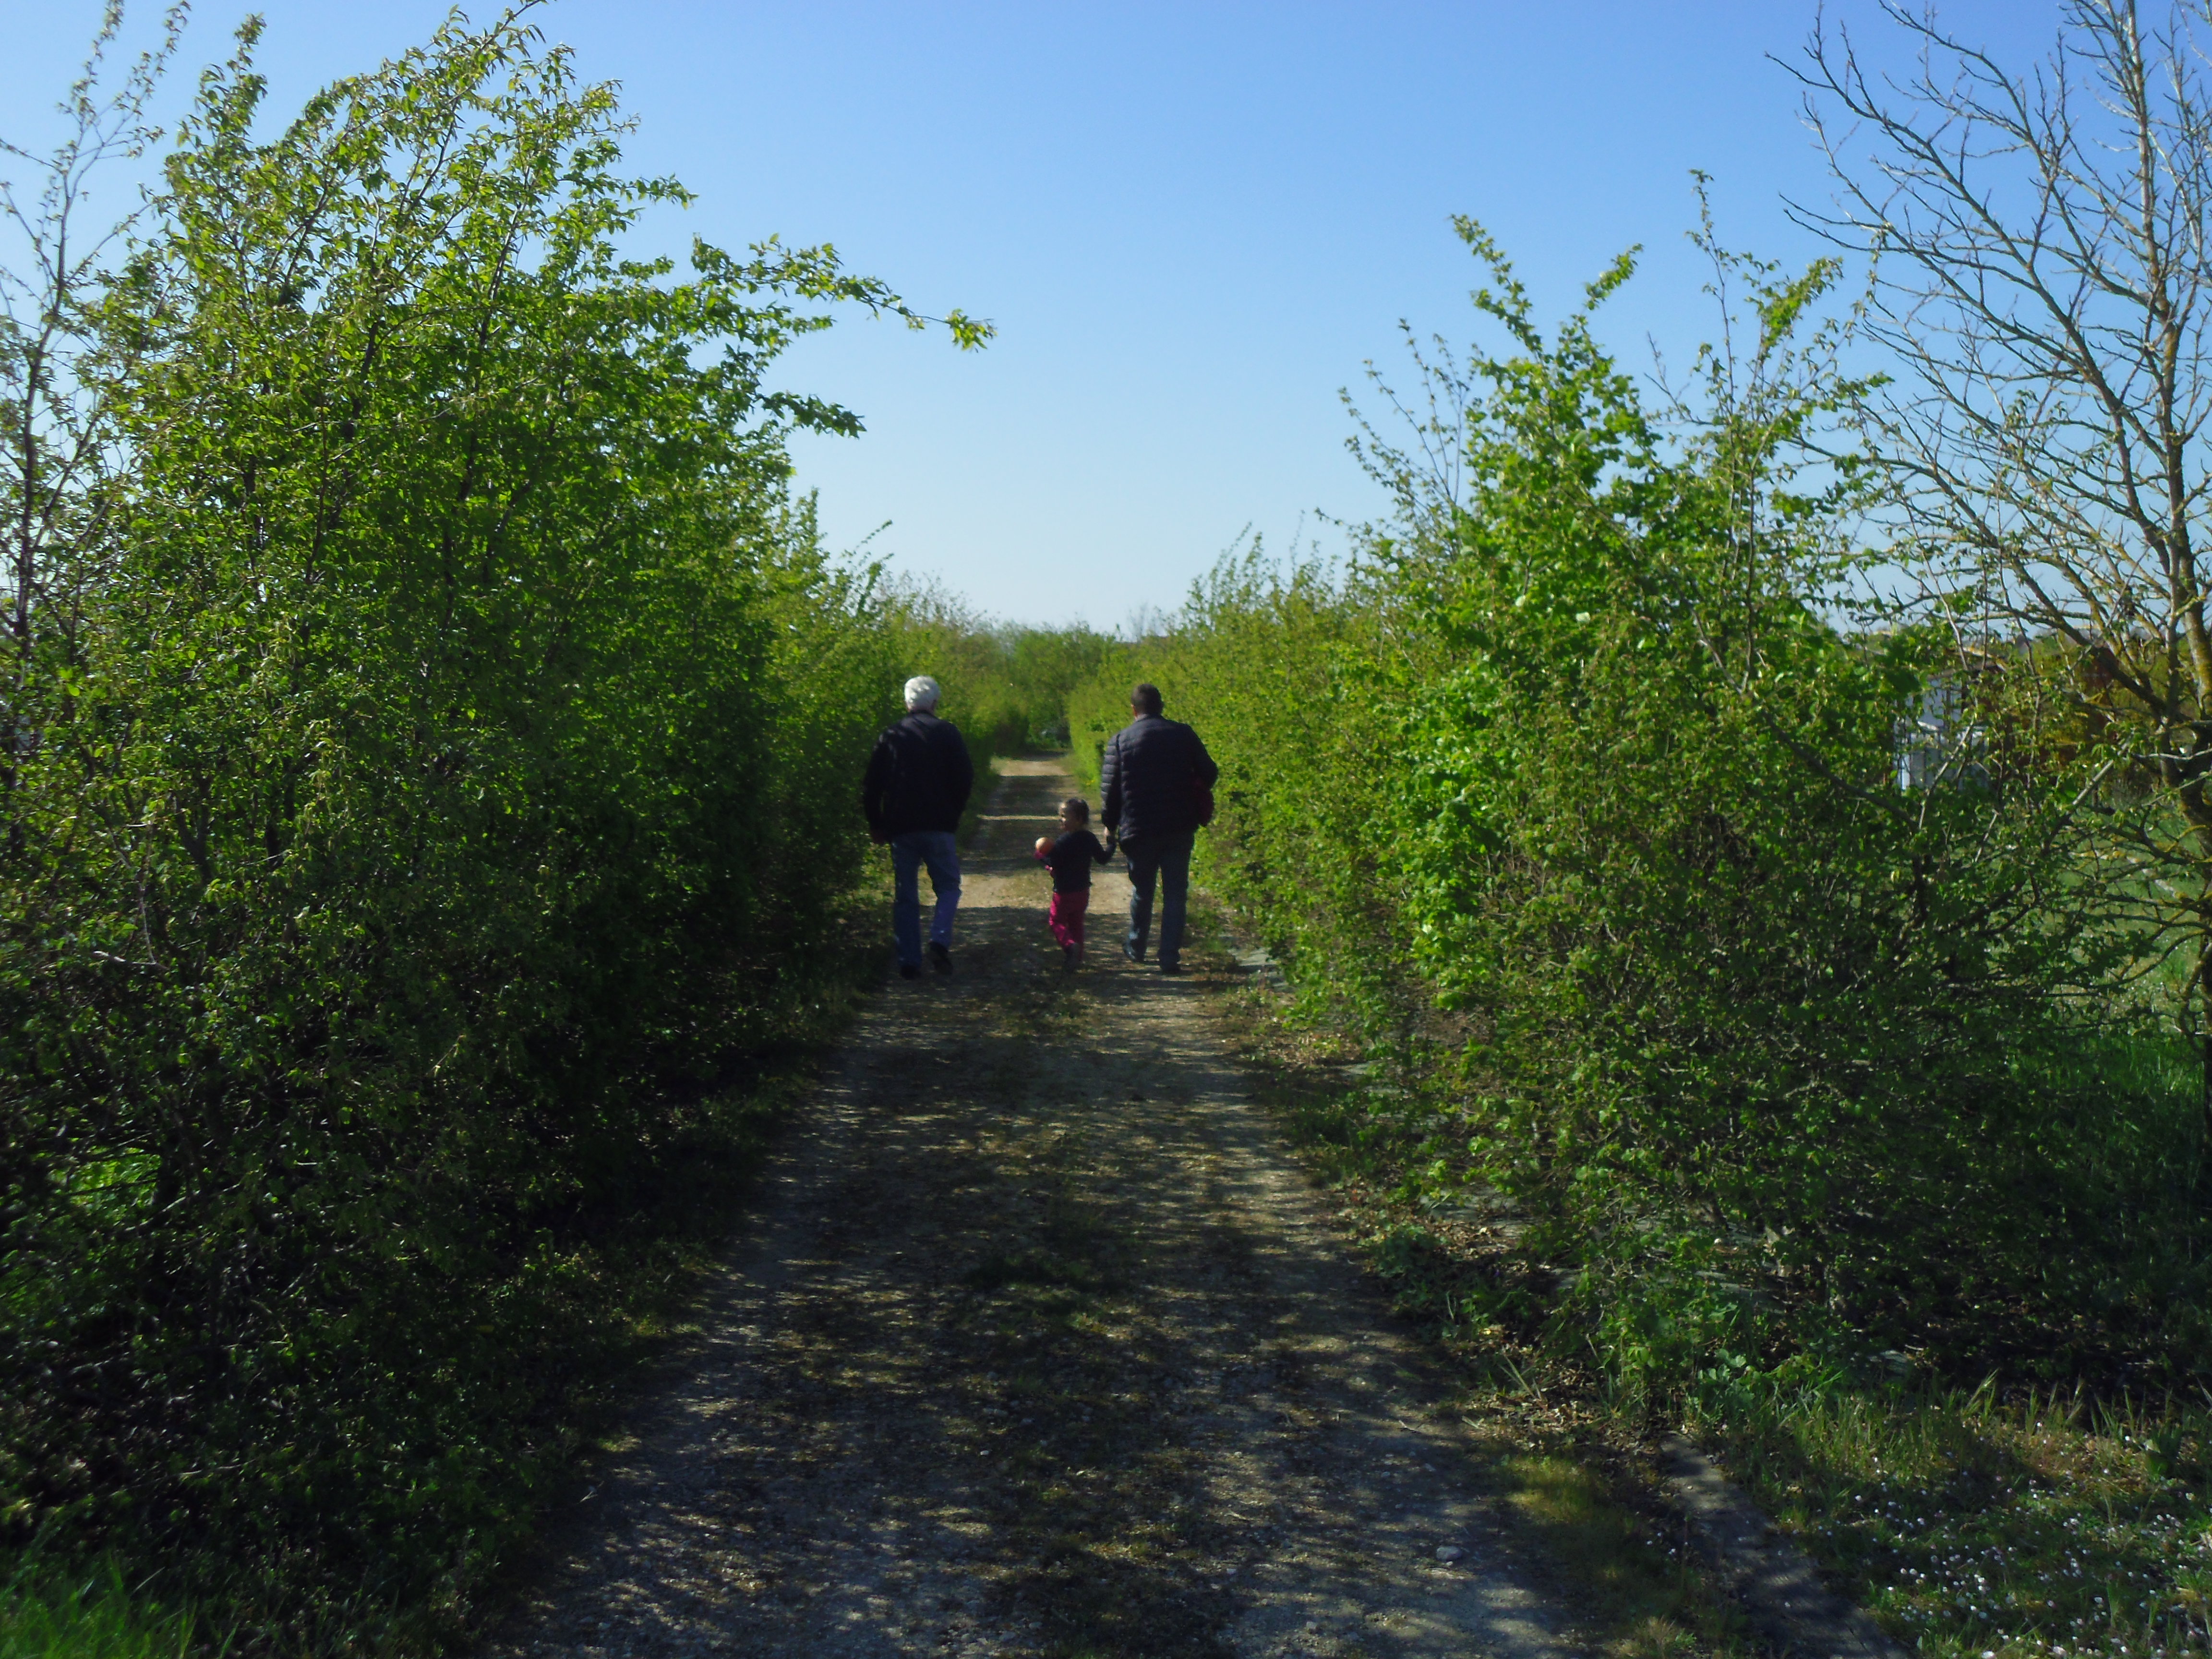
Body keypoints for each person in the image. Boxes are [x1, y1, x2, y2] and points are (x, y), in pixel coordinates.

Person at [1097, 682, 1218, 975]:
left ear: (1133, 709)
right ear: (1161, 707)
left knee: (1143, 890)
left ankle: (1137, 947)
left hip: (1138, 828)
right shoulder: (1183, 734)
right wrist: (1190, 788)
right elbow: (1210, 772)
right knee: (1176, 893)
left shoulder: (1120, 740)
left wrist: (1109, 825)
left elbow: (1111, 790)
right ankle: (1169, 957)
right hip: (1179, 825)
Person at [861, 675, 974, 979]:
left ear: (907, 702)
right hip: (939, 825)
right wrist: (954, 813)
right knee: (948, 887)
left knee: (906, 895)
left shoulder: (892, 735)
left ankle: (909, 961)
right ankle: (939, 941)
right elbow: (965, 778)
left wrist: (876, 823)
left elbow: (871, 786)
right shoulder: (948, 733)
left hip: (901, 827)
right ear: (935, 702)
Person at [1033, 796, 1114, 969]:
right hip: (1082, 891)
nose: (1061, 820)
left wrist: (1041, 856)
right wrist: (1111, 844)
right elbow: (1103, 859)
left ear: (1078, 819)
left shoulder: (1064, 842)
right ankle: (1078, 958)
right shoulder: (1090, 838)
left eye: (1064, 816)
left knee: (1056, 922)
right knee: (1077, 923)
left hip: (1064, 892)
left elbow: (1053, 862)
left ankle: (1070, 946)